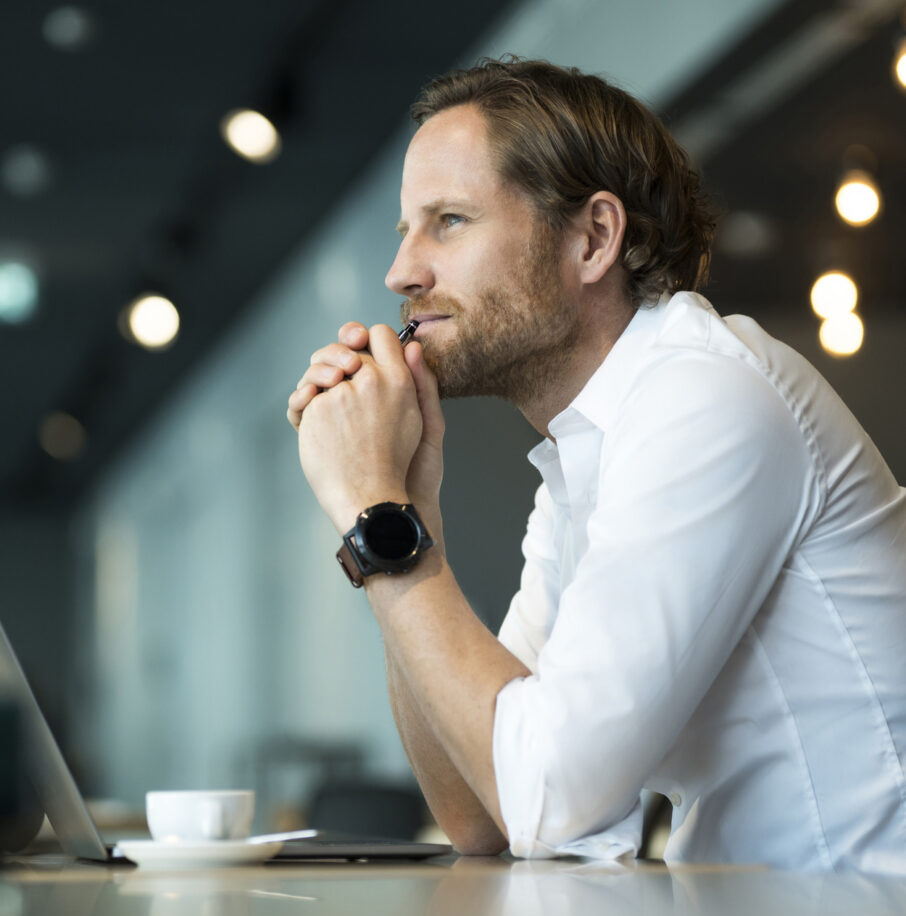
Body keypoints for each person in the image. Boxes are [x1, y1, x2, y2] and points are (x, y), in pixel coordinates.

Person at [286, 57, 906, 870]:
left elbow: (542, 798)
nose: (403, 273)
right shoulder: (588, 452)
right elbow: (484, 812)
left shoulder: (706, 399)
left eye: (450, 221)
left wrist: (378, 518)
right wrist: (406, 503)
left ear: (593, 239)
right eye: (407, 230)